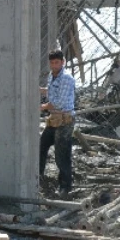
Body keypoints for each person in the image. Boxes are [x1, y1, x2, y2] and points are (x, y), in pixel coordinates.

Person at [39, 50, 77, 191]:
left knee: (62, 154)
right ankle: (38, 177)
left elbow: (59, 102)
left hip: (65, 119)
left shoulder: (66, 78)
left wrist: (41, 107)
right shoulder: (52, 76)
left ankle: (65, 187)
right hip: (55, 118)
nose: (54, 65)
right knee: (42, 146)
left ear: (63, 62)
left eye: (57, 62)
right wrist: (39, 90)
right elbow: (51, 91)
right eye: (52, 63)